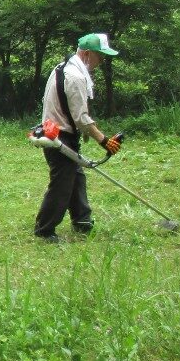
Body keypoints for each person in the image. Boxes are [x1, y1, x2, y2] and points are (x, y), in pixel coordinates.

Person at [34, 33, 122, 243]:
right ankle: (44, 230)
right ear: (86, 53)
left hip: (56, 130)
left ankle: (82, 220)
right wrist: (104, 140)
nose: (100, 62)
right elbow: (81, 118)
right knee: (62, 183)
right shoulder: (76, 77)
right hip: (59, 136)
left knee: (76, 177)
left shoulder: (63, 67)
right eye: (99, 57)